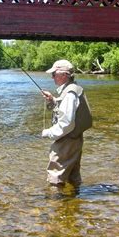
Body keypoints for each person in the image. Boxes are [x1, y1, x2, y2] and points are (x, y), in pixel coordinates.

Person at [41, 59, 93, 189]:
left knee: (55, 177)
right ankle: (73, 205)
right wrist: (53, 100)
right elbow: (67, 112)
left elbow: (66, 123)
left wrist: (48, 133)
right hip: (75, 139)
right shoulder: (73, 89)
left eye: (54, 74)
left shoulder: (70, 93)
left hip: (67, 141)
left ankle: (56, 205)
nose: (52, 77)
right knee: (72, 176)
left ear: (64, 75)